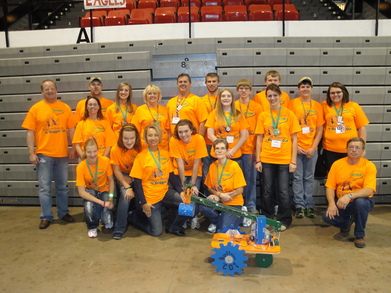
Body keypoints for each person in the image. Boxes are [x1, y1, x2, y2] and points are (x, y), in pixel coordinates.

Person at [21, 79, 77, 229]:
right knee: (44, 188)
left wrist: (74, 148)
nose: (50, 91)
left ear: (56, 90)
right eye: (46, 89)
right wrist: (31, 152)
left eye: (52, 88)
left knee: (63, 187)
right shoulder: (36, 109)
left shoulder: (64, 108)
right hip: (44, 154)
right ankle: (46, 216)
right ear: (42, 92)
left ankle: (63, 212)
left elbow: (72, 129)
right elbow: (30, 132)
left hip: (62, 155)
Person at [255, 84, 301, 231]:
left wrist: (293, 161)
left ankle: (284, 219)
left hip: (284, 159)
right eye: (269, 96)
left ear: (280, 96)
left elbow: (295, 139)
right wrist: (258, 160)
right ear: (266, 97)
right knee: (267, 190)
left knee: (283, 191)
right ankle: (267, 217)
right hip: (267, 158)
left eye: (275, 95)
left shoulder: (289, 114)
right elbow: (259, 139)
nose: (272, 98)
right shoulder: (263, 115)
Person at [129, 124, 188, 237]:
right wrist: (143, 203)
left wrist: (181, 191)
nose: (153, 138)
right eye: (150, 135)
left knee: (187, 203)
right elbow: (137, 183)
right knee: (156, 232)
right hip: (150, 197)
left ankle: (172, 227)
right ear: (146, 138)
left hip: (165, 192)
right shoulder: (141, 157)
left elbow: (171, 175)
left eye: (156, 135)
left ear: (159, 137)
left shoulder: (165, 154)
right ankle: (133, 217)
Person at [322, 137, 376, 248]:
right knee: (326, 217)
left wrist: (349, 196)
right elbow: (330, 187)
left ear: (363, 151)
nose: (354, 150)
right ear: (346, 149)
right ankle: (347, 222)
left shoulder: (369, 166)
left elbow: (369, 189)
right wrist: (331, 204)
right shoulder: (337, 164)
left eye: (358, 148)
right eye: (351, 147)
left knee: (360, 203)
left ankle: (359, 235)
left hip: (361, 201)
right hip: (342, 203)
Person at [288, 77, 325, 219]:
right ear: (299, 89)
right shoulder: (292, 104)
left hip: (311, 149)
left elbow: (320, 129)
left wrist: (313, 147)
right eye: (302, 87)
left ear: (311, 89)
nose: (305, 89)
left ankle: (309, 204)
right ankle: (299, 206)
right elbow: (289, 128)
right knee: (297, 177)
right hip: (297, 148)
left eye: (308, 87)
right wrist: (295, 146)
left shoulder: (317, 106)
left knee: (309, 177)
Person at [199, 138, 247, 233]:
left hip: (233, 202)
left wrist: (227, 197)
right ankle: (217, 221)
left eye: (222, 148)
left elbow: (240, 190)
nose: (219, 150)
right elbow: (209, 187)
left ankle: (241, 214)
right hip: (219, 201)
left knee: (222, 231)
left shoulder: (234, 166)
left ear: (227, 151)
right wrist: (219, 195)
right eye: (217, 148)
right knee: (203, 207)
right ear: (214, 151)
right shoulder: (212, 166)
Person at [322, 82, 369, 171]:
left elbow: (362, 127)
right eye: (332, 93)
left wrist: (362, 147)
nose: (335, 95)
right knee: (333, 175)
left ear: (344, 92)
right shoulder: (324, 105)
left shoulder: (353, 106)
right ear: (329, 95)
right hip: (330, 149)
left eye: (338, 92)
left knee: (349, 175)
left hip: (351, 149)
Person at [169, 119, 208, 229]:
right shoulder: (174, 140)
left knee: (193, 194)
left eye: (186, 131)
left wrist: (192, 184)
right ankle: (184, 218)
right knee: (185, 195)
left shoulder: (199, 139)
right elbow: (180, 164)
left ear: (191, 130)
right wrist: (184, 185)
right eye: (180, 132)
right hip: (179, 172)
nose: (183, 135)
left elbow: (196, 163)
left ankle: (194, 217)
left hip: (195, 171)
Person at [76, 138, 115, 238]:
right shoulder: (81, 166)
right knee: (89, 207)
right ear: (84, 152)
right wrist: (101, 203)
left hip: (104, 190)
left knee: (107, 221)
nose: (92, 154)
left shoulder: (105, 161)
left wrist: (110, 198)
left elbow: (111, 181)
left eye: (94, 151)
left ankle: (104, 217)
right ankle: (92, 226)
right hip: (90, 191)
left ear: (98, 150)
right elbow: (81, 192)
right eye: (89, 152)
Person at [234, 79, 262, 215]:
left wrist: (257, 150)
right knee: (236, 181)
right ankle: (237, 205)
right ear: (237, 90)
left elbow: (260, 130)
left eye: (246, 88)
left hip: (250, 149)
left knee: (251, 179)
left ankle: (250, 206)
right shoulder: (233, 106)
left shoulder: (257, 107)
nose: (243, 90)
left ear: (250, 90)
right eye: (241, 88)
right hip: (236, 150)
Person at [110, 124, 142, 240]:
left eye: (132, 138)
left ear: (136, 137)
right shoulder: (115, 149)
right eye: (126, 138)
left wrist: (133, 179)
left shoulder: (141, 146)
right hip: (123, 175)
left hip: (138, 175)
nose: (129, 141)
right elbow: (116, 171)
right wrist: (127, 187)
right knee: (125, 196)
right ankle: (119, 227)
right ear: (121, 138)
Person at [205, 88, 249, 165]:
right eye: (223, 96)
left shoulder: (238, 114)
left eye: (228, 96)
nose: (226, 98)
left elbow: (244, 135)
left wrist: (232, 151)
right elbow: (210, 135)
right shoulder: (214, 114)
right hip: (218, 153)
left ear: (232, 99)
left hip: (234, 153)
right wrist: (222, 149)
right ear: (219, 98)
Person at [131, 85, 171, 151]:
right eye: (149, 93)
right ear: (146, 96)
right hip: (146, 146)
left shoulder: (165, 109)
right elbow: (135, 130)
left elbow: (168, 130)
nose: (152, 95)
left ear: (158, 96)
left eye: (154, 93)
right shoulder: (140, 110)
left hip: (163, 145)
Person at [201, 73, 221, 186]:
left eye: (214, 81)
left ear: (219, 83)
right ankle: (207, 200)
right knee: (206, 173)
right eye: (209, 81)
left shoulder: (224, 98)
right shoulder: (201, 101)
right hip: (206, 143)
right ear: (205, 83)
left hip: (220, 141)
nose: (211, 84)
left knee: (220, 173)